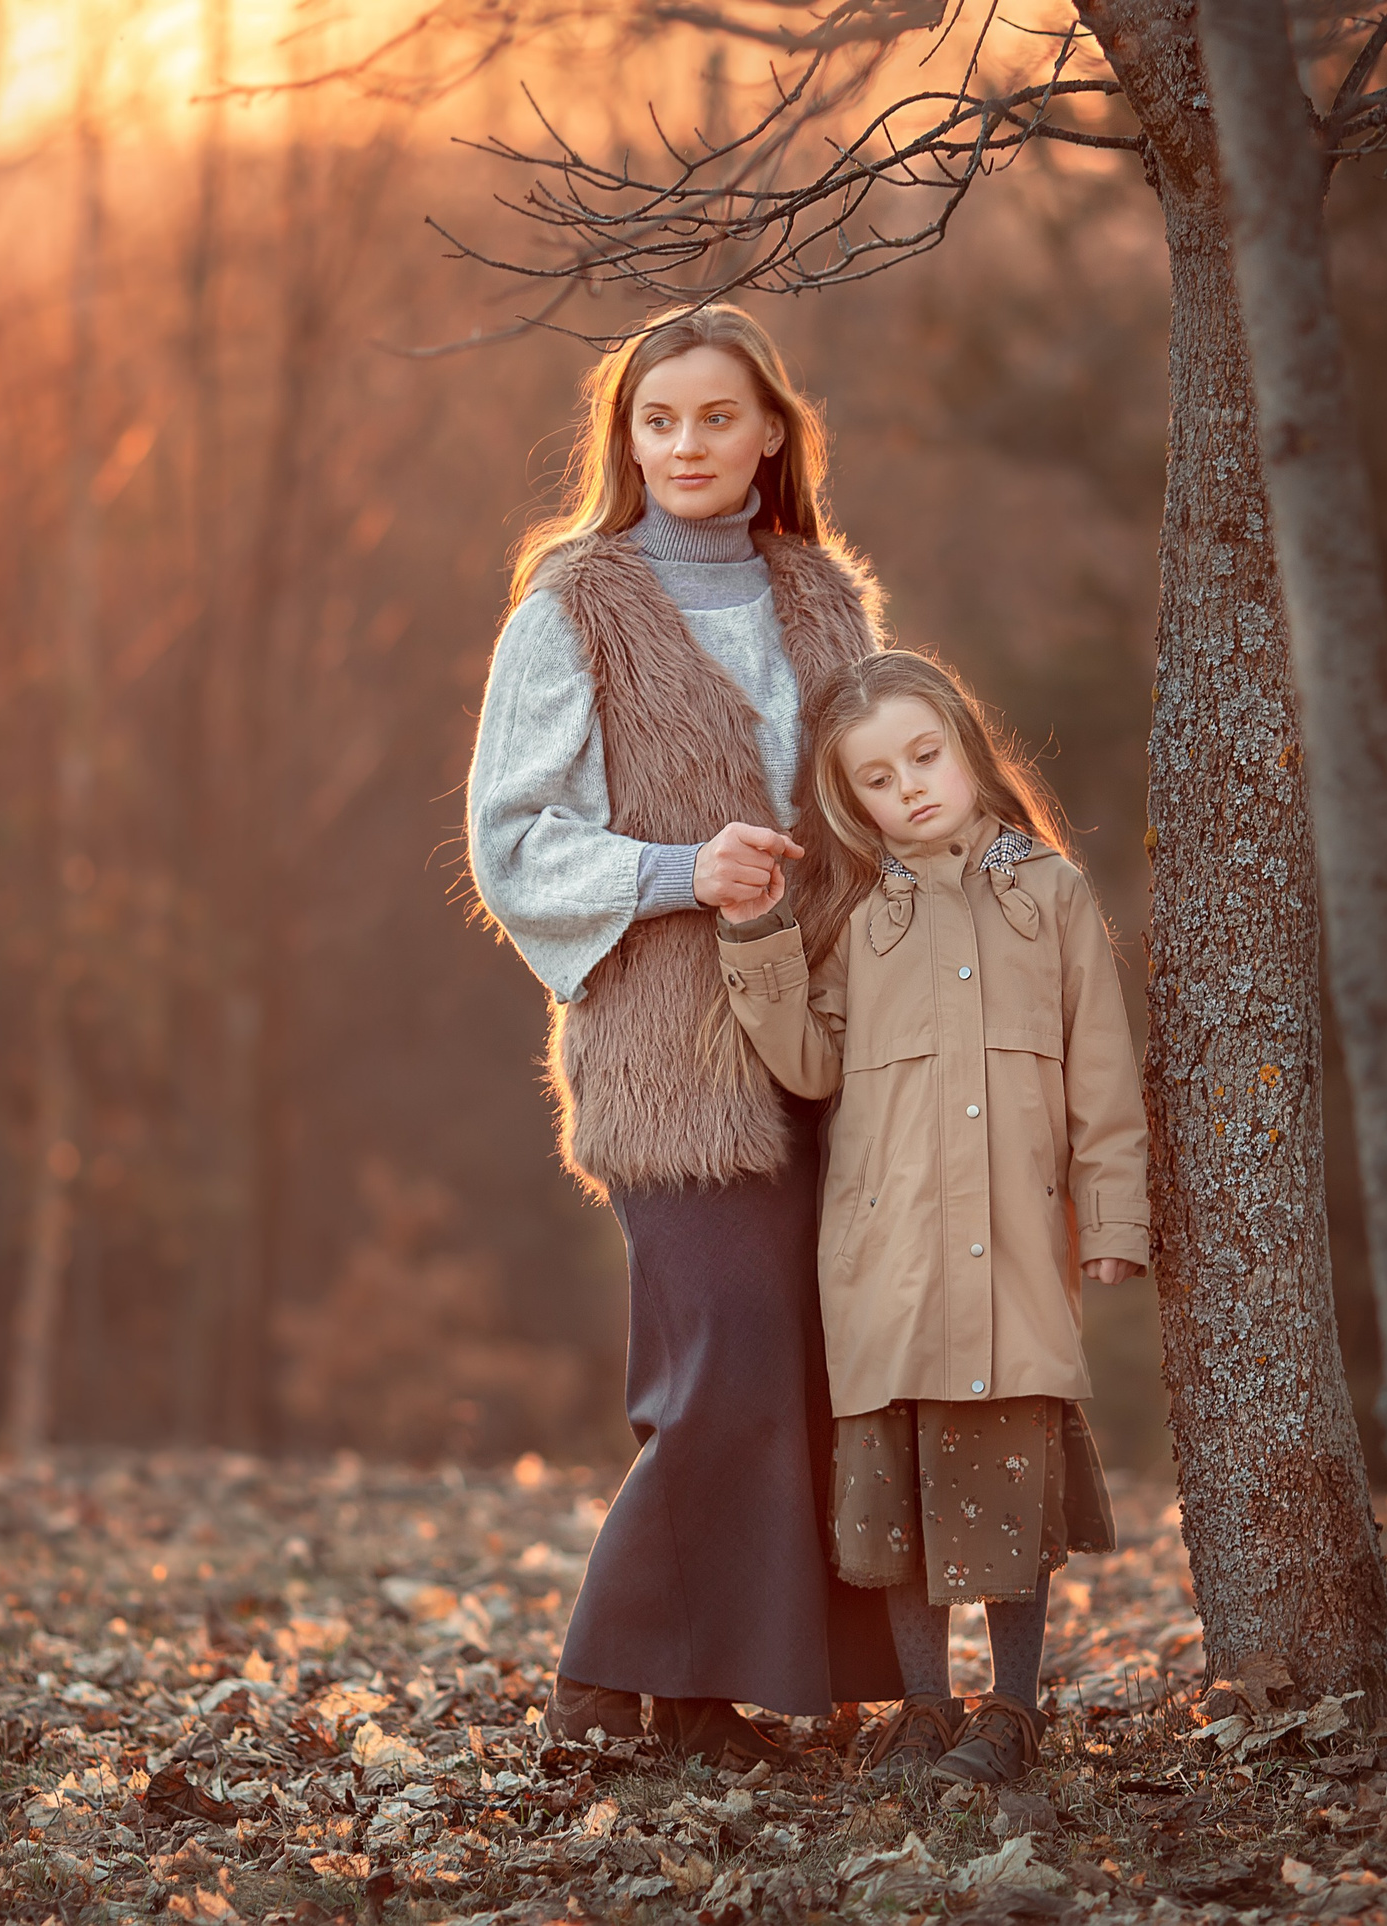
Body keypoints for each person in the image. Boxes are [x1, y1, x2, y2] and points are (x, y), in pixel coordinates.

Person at [466, 305, 905, 1764]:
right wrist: (673, 873)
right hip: (670, 1047)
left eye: (718, 418)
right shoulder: (573, 605)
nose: (689, 445)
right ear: (627, 440)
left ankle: (718, 1699)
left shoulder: (827, 596)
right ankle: (605, 1677)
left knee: (827, 1359)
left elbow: (890, 785)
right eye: (661, 422)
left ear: (771, 430)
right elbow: (513, 843)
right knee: (723, 1354)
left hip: (839, 1032)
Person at [711, 648, 1150, 1787]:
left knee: (1007, 1489)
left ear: (965, 749)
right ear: (845, 801)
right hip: (887, 1260)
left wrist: (1113, 1218)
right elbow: (809, 1068)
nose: (908, 787)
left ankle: (1009, 1710)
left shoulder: (1046, 894)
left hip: (1010, 1256)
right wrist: (756, 939)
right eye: (874, 778)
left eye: (924, 756)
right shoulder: (856, 914)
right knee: (899, 1498)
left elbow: (1102, 1075)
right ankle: (922, 1707)